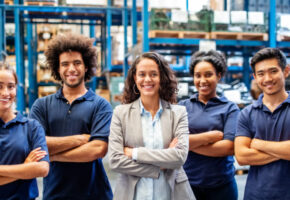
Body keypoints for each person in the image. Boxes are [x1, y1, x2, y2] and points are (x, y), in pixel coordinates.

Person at [29, 34, 113, 200]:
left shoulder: (101, 105)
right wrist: (80, 139)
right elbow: (36, 146)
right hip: (55, 194)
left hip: (95, 194)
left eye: (77, 63)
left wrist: (52, 155)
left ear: (86, 66)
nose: (71, 69)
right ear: (57, 69)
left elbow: (98, 149)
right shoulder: (41, 105)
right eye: (65, 64)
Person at [108, 52, 195, 200]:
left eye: (153, 74)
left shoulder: (178, 113)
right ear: (135, 78)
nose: (147, 79)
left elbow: (179, 156)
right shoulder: (120, 113)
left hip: (171, 194)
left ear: (161, 77)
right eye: (142, 74)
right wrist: (160, 166)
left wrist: (134, 153)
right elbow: (115, 160)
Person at [179, 50, 239, 200]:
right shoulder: (182, 107)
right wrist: (209, 137)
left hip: (222, 187)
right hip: (187, 185)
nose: (202, 80)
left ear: (219, 76)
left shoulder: (230, 108)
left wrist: (188, 143)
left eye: (208, 74)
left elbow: (229, 147)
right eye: (197, 75)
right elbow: (173, 143)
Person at [235, 47, 290, 200]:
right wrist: (284, 151)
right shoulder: (247, 114)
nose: (267, 78)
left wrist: (258, 144)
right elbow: (241, 156)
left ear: (286, 71)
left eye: (273, 71)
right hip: (256, 195)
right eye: (261, 73)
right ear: (254, 77)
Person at [0, 62, 49, 200]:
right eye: (0, 86)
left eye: (10, 86)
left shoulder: (31, 127)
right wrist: (24, 168)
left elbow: (42, 169)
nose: (5, 93)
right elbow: (32, 169)